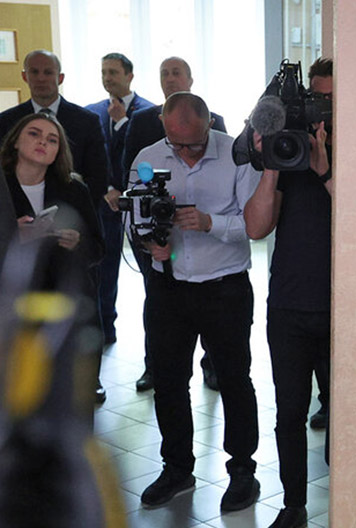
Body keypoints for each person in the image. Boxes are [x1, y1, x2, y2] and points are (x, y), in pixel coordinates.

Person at [131, 92, 262, 514]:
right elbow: (135, 218)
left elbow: (255, 222)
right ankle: (176, 468)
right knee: (169, 382)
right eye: (177, 144)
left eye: (194, 143)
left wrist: (210, 222)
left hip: (225, 286)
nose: (186, 152)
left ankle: (242, 470)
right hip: (168, 288)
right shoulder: (148, 157)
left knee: (234, 380)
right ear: (164, 127)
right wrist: (149, 244)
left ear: (210, 124)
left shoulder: (238, 155)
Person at [244, 57, 333, 528]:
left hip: (343, 310)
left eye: (330, 102)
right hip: (290, 307)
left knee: (346, 416)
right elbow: (257, 227)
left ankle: (350, 509)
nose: (321, 113)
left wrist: (326, 170)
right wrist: (274, 166)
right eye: (316, 100)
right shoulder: (287, 153)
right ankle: (293, 506)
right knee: (290, 413)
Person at [122, 56, 227, 394]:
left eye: (176, 72)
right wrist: (147, 241)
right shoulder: (142, 122)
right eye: (164, 73)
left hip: (213, 259)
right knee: (158, 313)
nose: (169, 78)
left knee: (221, 339)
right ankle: (154, 366)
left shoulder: (217, 125)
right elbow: (131, 183)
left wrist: (209, 221)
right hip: (159, 248)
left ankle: (212, 366)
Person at [1, 112, 103, 346]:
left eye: (52, 140)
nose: (43, 142)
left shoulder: (74, 189)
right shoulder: (3, 184)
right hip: (12, 302)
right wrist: (12, 235)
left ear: (58, 150)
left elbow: (98, 248)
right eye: (34, 134)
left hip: (64, 300)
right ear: (15, 141)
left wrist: (78, 243)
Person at [85, 52, 153, 347]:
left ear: (129, 76)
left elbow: (147, 157)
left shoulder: (148, 113)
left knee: (149, 270)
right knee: (102, 269)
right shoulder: (91, 113)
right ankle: (104, 330)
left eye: (113, 72)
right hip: (104, 203)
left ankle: (156, 339)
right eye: (104, 72)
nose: (107, 78)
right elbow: (89, 158)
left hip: (138, 203)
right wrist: (106, 189)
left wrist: (123, 121)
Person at [0, 50, 108, 210]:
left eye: (48, 72)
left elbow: (99, 176)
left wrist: (74, 212)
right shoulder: (6, 121)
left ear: (60, 78)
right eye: (34, 72)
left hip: (73, 214)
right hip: (18, 215)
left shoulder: (87, 121)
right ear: (24, 76)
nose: (41, 78)